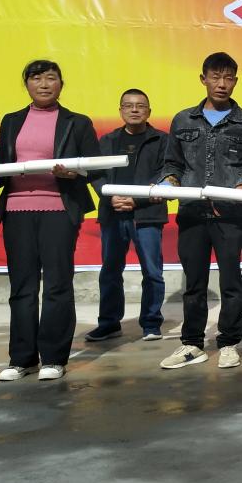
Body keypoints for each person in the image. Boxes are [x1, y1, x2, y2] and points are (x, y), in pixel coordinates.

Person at [0, 60, 100, 381]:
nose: (44, 84)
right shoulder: (12, 120)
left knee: (57, 284)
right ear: (27, 84)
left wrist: (75, 173)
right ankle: (22, 359)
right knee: (22, 286)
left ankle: (54, 358)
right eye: (36, 78)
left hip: (59, 210)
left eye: (51, 78)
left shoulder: (77, 122)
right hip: (16, 211)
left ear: (61, 84)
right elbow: (3, 167)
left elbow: (95, 168)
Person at [158, 52, 242, 370]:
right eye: (216, 77)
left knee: (232, 282)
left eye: (228, 78)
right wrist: (168, 181)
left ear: (236, 81)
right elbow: (172, 163)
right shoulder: (183, 120)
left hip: (230, 215)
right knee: (194, 283)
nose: (222, 84)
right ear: (203, 79)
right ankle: (192, 343)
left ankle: (229, 342)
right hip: (192, 212)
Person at [87, 89, 169, 343]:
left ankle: (151, 323)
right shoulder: (107, 141)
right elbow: (95, 174)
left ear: (149, 111)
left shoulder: (162, 140)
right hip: (113, 213)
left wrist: (137, 199)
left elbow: (166, 175)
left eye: (140, 106)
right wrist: (109, 195)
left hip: (147, 214)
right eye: (128, 105)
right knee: (110, 271)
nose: (134, 110)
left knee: (152, 271)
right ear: (121, 110)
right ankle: (109, 323)